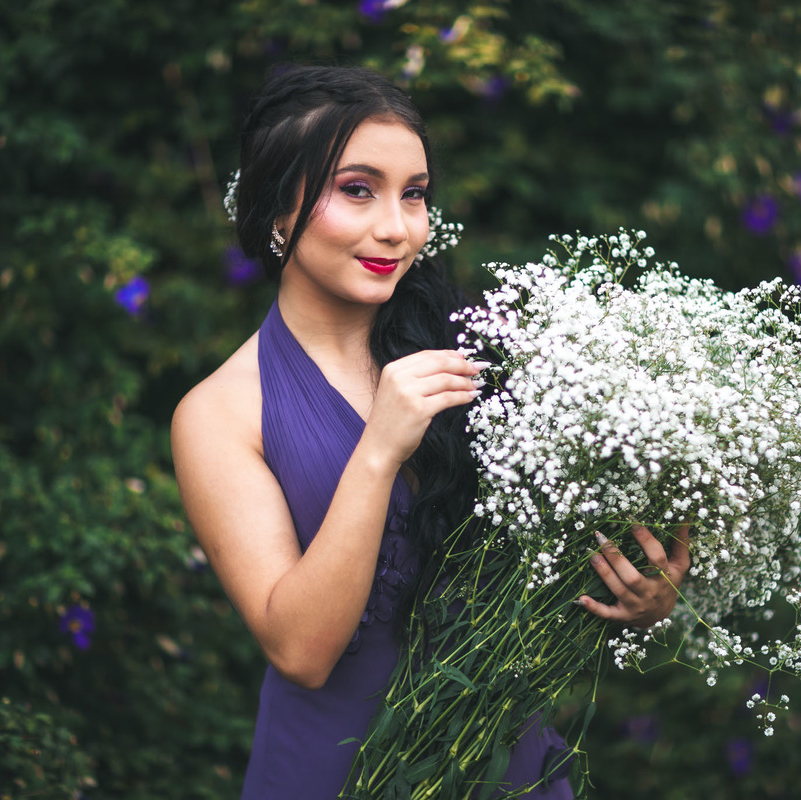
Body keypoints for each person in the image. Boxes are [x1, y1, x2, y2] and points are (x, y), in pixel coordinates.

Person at [171, 65, 690, 799]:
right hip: (336, 772)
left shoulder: (483, 351)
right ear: (276, 211)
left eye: (413, 194)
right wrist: (379, 449)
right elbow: (301, 651)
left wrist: (640, 600)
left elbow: (547, 568)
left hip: (498, 765)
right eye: (358, 189)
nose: (396, 226)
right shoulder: (219, 412)